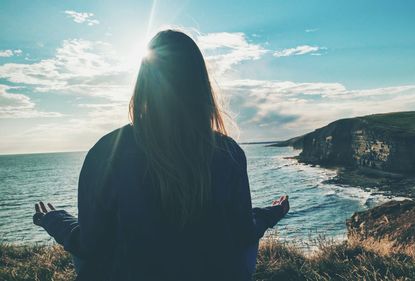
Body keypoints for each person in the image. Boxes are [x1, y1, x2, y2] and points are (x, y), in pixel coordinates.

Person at [32, 30, 290, 281]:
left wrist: (57, 221)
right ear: (200, 85)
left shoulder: (106, 151)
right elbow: (242, 233)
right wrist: (270, 214)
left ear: (144, 83)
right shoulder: (228, 153)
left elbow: (90, 245)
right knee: (240, 246)